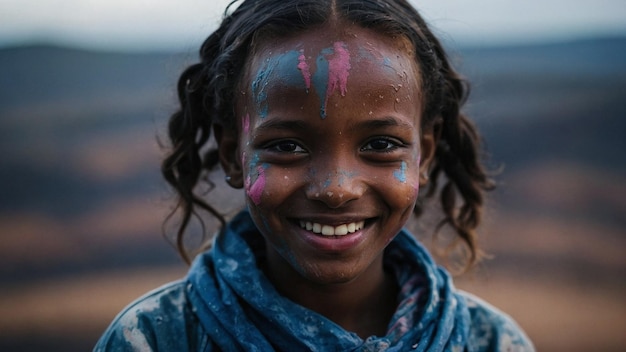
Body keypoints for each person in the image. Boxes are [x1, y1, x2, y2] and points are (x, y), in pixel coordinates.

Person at [95, 0, 534, 350]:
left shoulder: (491, 342)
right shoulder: (154, 340)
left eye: (380, 145)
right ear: (233, 155)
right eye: (286, 146)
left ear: (424, 155)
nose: (336, 189)